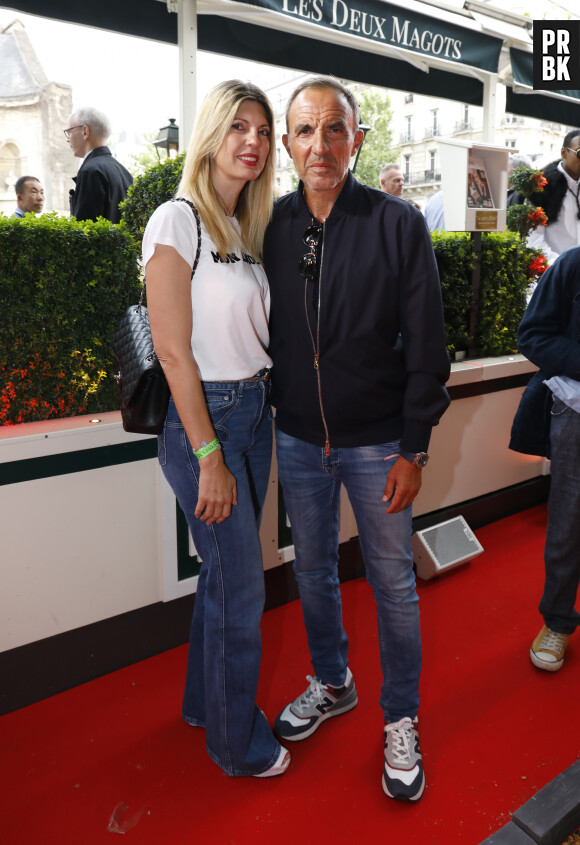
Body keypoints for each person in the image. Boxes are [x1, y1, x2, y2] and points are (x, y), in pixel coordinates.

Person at [263, 76, 450, 802]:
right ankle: (332, 680)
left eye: (333, 129)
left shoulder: (398, 223)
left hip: (381, 444)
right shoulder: (272, 225)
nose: (319, 145)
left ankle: (399, 714)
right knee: (312, 572)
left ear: (358, 139)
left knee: (394, 587)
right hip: (301, 442)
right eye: (304, 131)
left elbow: (429, 344)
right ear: (287, 144)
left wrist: (415, 446)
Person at [141, 80, 289, 778]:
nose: (253, 141)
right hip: (206, 421)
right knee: (242, 585)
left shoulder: (244, 229)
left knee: (224, 578)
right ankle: (237, 744)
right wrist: (207, 454)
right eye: (238, 126)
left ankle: (206, 705)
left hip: (254, 414)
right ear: (210, 135)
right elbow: (173, 350)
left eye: (262, 129)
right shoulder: (177, 220)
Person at [510, 246, 580, 672]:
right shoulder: (572, 265)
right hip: (575, 414)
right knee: (568, 525)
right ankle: (557, 621)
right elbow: (532, 334)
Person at [519, 129, 580, 265]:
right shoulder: (539, 187)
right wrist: (562, 267)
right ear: (564, 153)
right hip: (553, 274)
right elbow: (533, 240)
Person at [64, 106, 132, 223]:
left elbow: (85, 230)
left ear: (85, 131)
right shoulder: (124, 172)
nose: (68, 139)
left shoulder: (90, 170)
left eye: (69, 132)